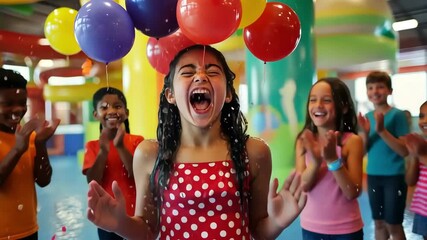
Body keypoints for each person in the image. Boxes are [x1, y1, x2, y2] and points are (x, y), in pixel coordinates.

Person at [85, 45, 307, 240]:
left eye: (212, 71)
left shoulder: (254, 152)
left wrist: (277, 222)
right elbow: (147, 231)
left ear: (228, 93)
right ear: (170, 95)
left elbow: (259, 232)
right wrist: (120, 224)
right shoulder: (151, 154)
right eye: (188, 72)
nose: (201, 76)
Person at [295, 77, 364, 239]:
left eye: (327, 100)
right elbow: (302, 186)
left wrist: (333, 160)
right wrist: (317, 162)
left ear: (344, 107)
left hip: (346, 229)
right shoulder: (303, 140)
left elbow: (352, 192)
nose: (318, 105)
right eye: (313, 100)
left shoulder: (352, 142)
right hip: (311, 226)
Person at [0, 68, 60, 239]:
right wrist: (18, 149)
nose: (17, 109)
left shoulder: (29, 137)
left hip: (29, 230)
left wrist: (40, 143)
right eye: (8, 103)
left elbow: (43, 181)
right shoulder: (22, 141)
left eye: (22, 102)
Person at [82, 87, 144, 240]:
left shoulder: (137, 141)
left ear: (126, 112)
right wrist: (103, 152)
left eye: (117, 106)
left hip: (136, 215)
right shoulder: (93, 146)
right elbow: (93, 181)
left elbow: (138, 175)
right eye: (104, 107)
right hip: (108, 217)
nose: (111, 111)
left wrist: (120, 146)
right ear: (95, 114)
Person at [357, 71, 409, 240]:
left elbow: (404, 150)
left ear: (389, 91)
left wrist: (381, 131)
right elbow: (363, 152)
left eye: (380, 87)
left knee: (393, 224)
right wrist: (365, 134)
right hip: (373, 175)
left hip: (394, 176)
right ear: (366, 92)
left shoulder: (397, 115)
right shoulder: (367, 117)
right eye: (370, 88)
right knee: (379, 223)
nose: (375, 91)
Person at [404, 101, 427, 240]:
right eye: (421, 116)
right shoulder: (422, 144)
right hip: (423, 209)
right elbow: (410, 180)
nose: (424, 120)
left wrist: (421, 154)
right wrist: (413, 156)